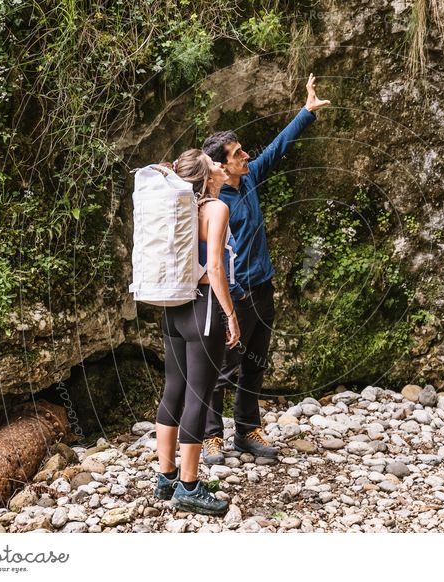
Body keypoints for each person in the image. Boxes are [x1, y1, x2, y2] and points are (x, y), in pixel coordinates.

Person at [200, 74, 331, 463]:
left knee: (256, 362)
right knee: (223, 366)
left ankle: (246, 430)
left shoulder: (251, 177)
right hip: (234, 294)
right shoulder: (212, 201)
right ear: (223, 164)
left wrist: (305, 112)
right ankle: (210, 436)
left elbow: (277, 149)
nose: (245, 155)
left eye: (242, 151)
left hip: (263, 287)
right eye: (237, 153)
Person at [152, 149, 241, 516]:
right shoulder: (214, 210)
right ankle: (190, 487)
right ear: (207, 178)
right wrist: (230, 314)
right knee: (198, 395)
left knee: (173, 388)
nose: (221, 165)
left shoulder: (180, 209)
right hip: (203, 306)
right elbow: (216, 268)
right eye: (214, 163)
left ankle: (167, 476)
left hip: (174, 306)